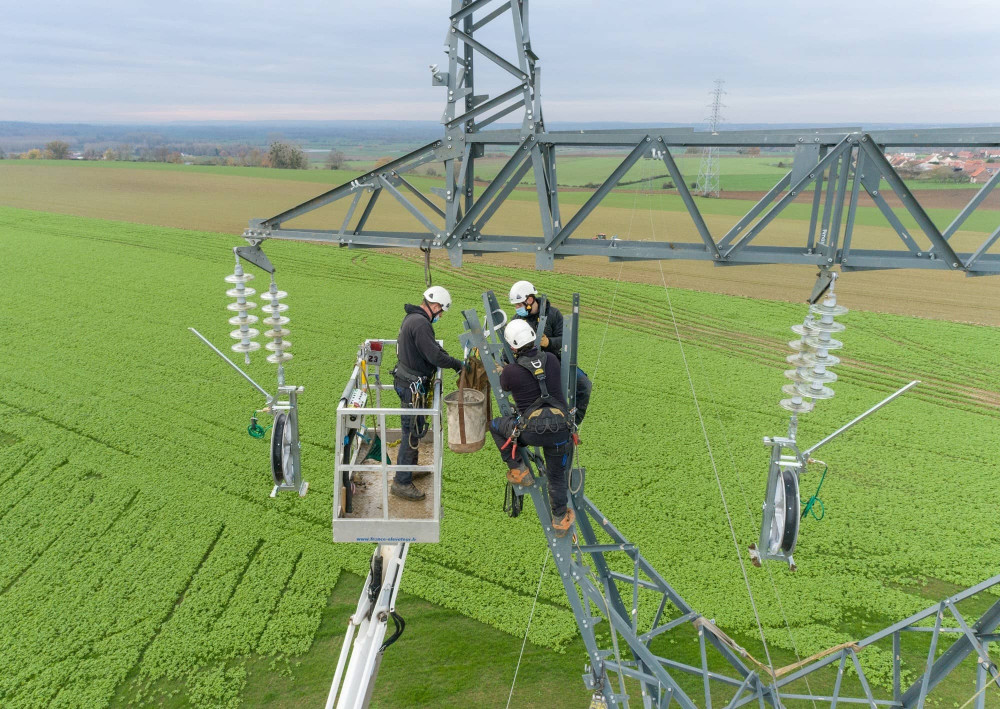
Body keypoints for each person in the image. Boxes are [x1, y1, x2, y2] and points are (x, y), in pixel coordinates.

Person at [489, 320, 575, 537]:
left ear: (513, 347)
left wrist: (503, 370)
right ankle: (559, 521)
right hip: (559, 432)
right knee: (556, 476)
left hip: (531, 433)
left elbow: (505, 386)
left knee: (495, 425)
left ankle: (519, 469)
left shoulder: (510, 371)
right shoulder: (553, 360)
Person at [391, 286, 463, 501]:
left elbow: (430, 349)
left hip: (410, 383)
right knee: (410, 432)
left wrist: (444, 355)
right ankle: (401, 482)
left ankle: (409, 469)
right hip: (410, 387)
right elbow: (434, 356)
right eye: (441, 312)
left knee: (414, 429)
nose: (440, 316)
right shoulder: (421, 323)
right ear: (434, 305)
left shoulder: (413, 318)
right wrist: (457, 364)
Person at [508, 280, 592, 426]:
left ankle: (573, 423)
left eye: (519, 305)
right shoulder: (517, 320)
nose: (516, 309)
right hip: (527, 366)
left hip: (554, 363)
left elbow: (566, 339)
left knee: (584, 385)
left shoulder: (553, 314)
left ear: (529, 299)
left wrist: (549, 343)